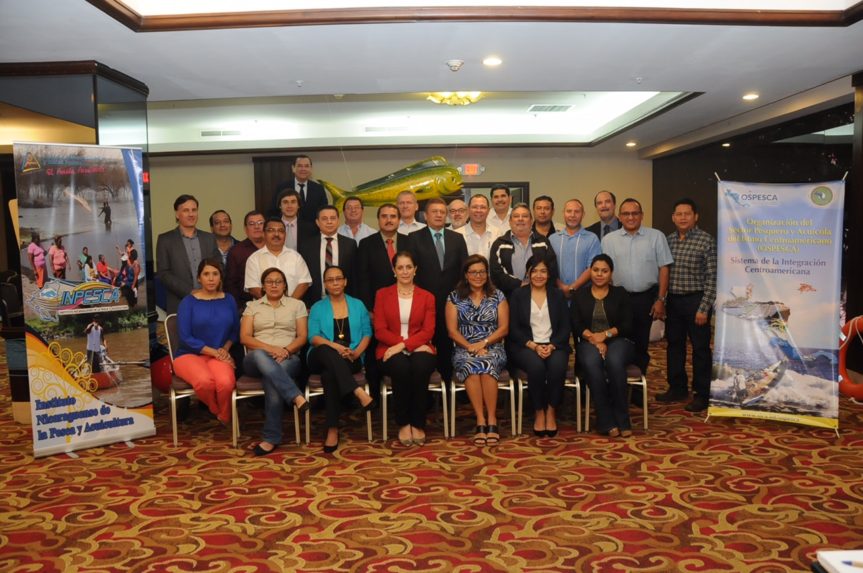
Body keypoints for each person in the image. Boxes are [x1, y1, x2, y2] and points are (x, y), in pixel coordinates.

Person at [240, 267, 310, 456]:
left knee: (272, 378)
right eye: (269, 282)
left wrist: (286, 351)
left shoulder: (297, 305)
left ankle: (271, 438)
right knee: (260, 355)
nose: (274, 285)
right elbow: (245, 338)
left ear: (285, 285)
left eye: (278, 281)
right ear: (263, 286)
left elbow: (302, 337)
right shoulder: (252, 306)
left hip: (288, 357)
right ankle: (295, 395)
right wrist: (272, 349)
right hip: (256, 359)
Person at [307, 265, 375, 453]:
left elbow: (367, 333)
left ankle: (332, 429)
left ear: (345, 281)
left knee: (330, 375)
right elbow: (313, 337)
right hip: (319, 356)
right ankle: (357, 391)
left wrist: (356, 352)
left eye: (338, 279)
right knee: (325, 350)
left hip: (350, 357)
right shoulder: (318, 307)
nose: (335, 283)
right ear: (325, 284)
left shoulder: (358, 305)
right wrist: (336, 347)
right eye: (330, 280)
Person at [601, 197, 673, 375]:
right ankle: (617, 379)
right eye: (626, 214)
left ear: (642, 215)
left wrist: (661, 299)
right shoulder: (609, 240)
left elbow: (664, 268)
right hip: (617, 298)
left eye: (635, 213)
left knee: (641, 343)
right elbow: (603, 271)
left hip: (645, 298)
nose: (631, 217)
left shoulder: (656, 236)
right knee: (617, 341)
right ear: (619, 216)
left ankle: (638, 383)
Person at [373, 251, 437, 446]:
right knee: (401, 368)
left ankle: (417, 422)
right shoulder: (382, 294)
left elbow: (428, 331)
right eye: (400, 267)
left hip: (421, 347)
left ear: (415, 269)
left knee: (420, 367)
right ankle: (403, 423)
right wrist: (402, 346)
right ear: (394, 270)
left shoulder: (427, 296)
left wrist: (404, 345)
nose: (405, 271)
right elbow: (380, 330)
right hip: (388, 349)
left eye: (409, 267)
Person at [445, 255, 509, 446]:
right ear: (466, 275)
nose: (478, 276)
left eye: (482, 272)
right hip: (464, 347)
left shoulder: (498, 295)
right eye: (473, 272)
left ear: (487, 274)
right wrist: (470, 347)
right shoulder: (454, 297)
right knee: (470, 365)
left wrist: (484, 343)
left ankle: (492, 419)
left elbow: (504, 328)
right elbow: (452, 331)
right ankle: (480, 419)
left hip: (493, 346)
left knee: (487, 363)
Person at [570, 254, 635, 437]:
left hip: (618, 340)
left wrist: (605, 335)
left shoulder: (620, 294)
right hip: (588, 341)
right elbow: (576, 324)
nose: (599, 274)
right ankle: (605, 420)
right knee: (592, 364)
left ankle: (623, 420)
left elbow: (627, 325)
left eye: (604, 271)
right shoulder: (580, 295)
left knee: (614, 361)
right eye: (596, 270)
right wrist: (594, 339)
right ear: (590, 271)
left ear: (611, 273)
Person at [406, 198, 468, 382]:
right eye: (435, 212)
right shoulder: (414, 238)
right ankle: (426, 387)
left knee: (447, 344)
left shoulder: (457, 238)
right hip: (423, 302)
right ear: (426, 216)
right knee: (424, 346)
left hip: (452, 302)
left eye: (442, 212)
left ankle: (448, 385)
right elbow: (410, 271)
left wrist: (459, 297)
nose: (439, 215)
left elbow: (464, 271)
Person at [664, 198, 717, 412]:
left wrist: (704, 308)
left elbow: (713, 278)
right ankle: (677, 388)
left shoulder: (706, 241)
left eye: (687, 214)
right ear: (673, 217)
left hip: (697, 301)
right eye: (679, 214)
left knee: (700, 349)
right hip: (674, 301)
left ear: (696, 216)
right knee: (674, 346)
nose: (683, 217)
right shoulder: (668, 241)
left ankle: (702, 393)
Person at [509, 255, 571, 437]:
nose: (538, 275)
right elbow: (513, 328)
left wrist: (552, 346)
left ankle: (551, 410)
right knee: (536, 367)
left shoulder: (557, 295)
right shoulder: (518, 295)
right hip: (525, 345)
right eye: (534, 271)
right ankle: (539, 411)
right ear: (528, 273)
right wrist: (533, 346)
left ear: (549, 274)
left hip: (554, 345)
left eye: (543, 271)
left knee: (557, 366)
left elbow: (565, 327)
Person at [173, 258, 239, 425]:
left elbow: (235, 331)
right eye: (206, 274)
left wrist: (225, 349)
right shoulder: (188, 302)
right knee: (204, 382)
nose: (211, 279)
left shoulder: (229, 300)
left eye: (215, 274)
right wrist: (216, 352)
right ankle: (215, 409)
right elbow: (185, 337)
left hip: (219, 354)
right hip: (189, 355)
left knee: (226, 383)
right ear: (199, 278)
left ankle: (224, 416)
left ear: (220, 277)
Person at [357, 203, 406, 396]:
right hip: (377, 310)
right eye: (384, 216)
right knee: (375, 353)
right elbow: (362, 279)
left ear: (399, 220)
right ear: (378, 220)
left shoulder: (410, 241)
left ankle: (404, 395)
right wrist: (369, 309)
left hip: (406, 307)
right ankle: (376, 397)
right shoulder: (366, 244)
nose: (389, 220)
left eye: (393, 216)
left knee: (404, 350)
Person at [156, 194, 220, 314]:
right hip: (180, 303)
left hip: (210, 301)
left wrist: (209, 290)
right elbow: (164, 273)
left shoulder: (209, 238)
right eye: (186, 210)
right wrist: (190, 292)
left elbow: (219, 267)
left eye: (194, 210)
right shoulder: (165, 240)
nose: (191, 214)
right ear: (177, 214)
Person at [489, 204, 556, 298]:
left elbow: (552, 269)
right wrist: (520, 285)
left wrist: (537, 286)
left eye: (525, 216)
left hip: (539, 297)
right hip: (508, 298)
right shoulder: (500, 244)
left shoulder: (543, 242)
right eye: (516, 216)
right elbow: (496, 273)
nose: (520, 219)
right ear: (510, 221)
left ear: (531, 221)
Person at [299, 205, 357, 306]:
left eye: (333, 218)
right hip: (314, 302)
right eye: (324, 219)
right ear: (317, 222)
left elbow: (354, 276)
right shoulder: (306, 246)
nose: (329, 222)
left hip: (344, 301)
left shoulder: (350, 244)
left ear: (338, 221)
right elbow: (303, 277)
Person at [244, 217, 312, 301]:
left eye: (280, 231)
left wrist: (289, 304)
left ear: (285, 235)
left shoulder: (296, 257)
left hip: (293, 306)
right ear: (264, 234)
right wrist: (272, 304)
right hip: (263, 307)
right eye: (271, 230)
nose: (276, 234)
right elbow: (253, 287)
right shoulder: (254, 259)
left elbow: (304, 283)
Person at [551, 199, 602, 298]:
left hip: (584, 295)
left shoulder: (592, 238)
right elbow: (549, 267)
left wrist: (572, 288)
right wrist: (562, 287)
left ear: (583, 214)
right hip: (557, 295)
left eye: (577, 211)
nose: (572, 215)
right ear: (563, 213)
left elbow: (592, 267)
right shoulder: (553, 239)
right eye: (569, 211)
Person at [225, 210, 266, 310]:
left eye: (260, 223)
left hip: (275, 304)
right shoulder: (236, 251)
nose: (257, 227)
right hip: (246, 307)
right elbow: (231, 284)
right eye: (252, 224)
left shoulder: (274, 248)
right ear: (245, 229)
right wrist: (238, 309)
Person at [273, 154, 328, 223]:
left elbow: (324, 212)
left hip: (312, 228)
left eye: (306, 166)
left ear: (311, 169)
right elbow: (274, 210)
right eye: (300, 166)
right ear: (293, 168)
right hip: (287, 227)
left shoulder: (319, 189)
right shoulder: (282, 187)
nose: (303, 169)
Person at [456, 194, 501, 261]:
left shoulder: (497, 233)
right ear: (468, 209)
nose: (478, 210)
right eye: (474, 207)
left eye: (482, 207)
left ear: (488, 210)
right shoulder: (457, 235)